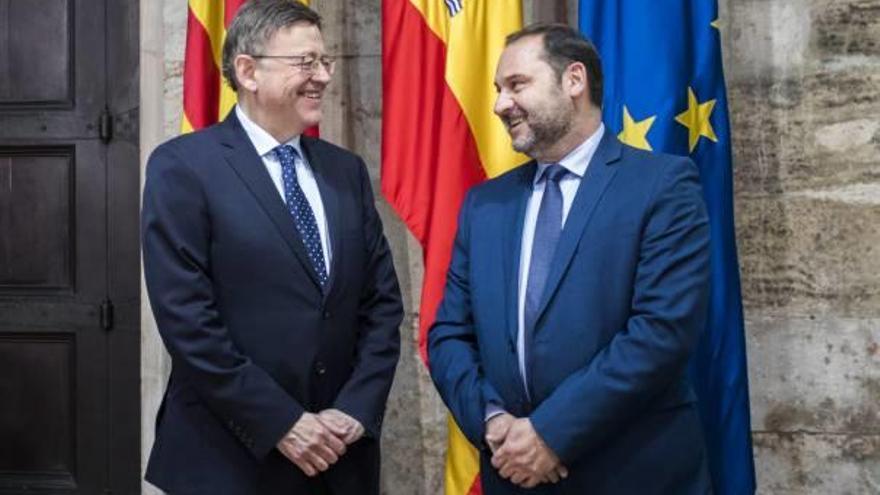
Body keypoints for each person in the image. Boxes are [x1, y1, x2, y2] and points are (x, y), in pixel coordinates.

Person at [428, 23, 712, 494]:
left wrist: (550, 434)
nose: (500, 104)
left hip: (632, 473)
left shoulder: (662, 187)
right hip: (512, 472)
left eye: (517, 85)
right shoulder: (485, 206)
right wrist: (495, 423)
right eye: (499, 89)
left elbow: (661, 332)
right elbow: (449, 335)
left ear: (574, 80)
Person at [142, 1, 402, 493]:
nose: (323, 76)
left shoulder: (344, 171)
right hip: (228, 458)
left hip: (338, 456)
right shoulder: (183, 167)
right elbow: (188, 321)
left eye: (324, 62)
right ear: (248, 71)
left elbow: (382, 304)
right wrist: (281, 422)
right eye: (305, 62)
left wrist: (355, 408)